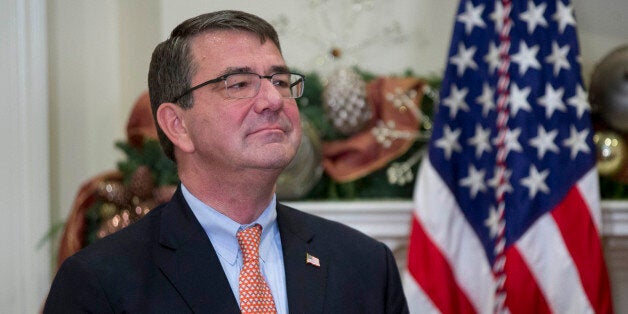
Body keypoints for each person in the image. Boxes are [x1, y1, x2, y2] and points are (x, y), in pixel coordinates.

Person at [44, 10, 409, 313]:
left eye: (280, 81)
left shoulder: (365, 265)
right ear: (177, 124)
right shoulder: (100, 282)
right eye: (238, 84)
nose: (272, 100)